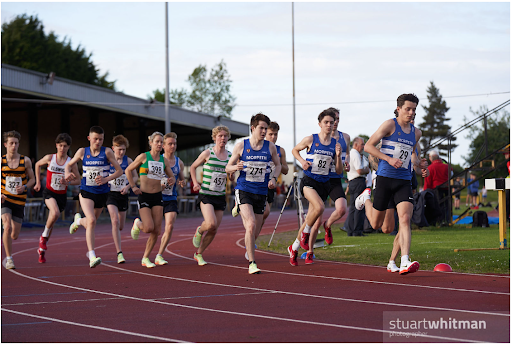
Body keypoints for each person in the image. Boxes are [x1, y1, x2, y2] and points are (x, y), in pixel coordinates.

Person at [354, 94, 428, 275]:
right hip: (385, 178)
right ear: (398, 109)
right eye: (408, 109)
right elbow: (369, 146)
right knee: (378, 225)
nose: (411, 113)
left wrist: (420, 166)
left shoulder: (416, 133)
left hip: (404, 180)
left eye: (414, 110)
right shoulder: (389, 125)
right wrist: (388, 158)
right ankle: (366, 198)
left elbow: (412, 157)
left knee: (404, 219)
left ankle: (404, 260)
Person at [226, 113, 281, 274]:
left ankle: (248, 248)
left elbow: (277, 165)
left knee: (255, 227)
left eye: (266, 128)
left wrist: (274, 178)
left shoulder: (270, 147)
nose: (264, 131)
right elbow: (227, 167)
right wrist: (236, 167)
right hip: (244, 189)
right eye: (261, 128)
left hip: (261, 191)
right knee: (250, 225)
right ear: (253, 128)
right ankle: (252, 263)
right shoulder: (241, 145)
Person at [287, 108, 343, 266]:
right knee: (319, 208)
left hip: (324, 184)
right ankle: (305, 235)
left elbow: (338, 171)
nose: (329, 125)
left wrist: (338, 157)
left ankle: (294, 247)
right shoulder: (311, 139)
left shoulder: (335, 145)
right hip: (309, 181)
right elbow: (294, 150)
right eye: (326, 122)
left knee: (309, 220)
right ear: (320, 124)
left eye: (332, 123)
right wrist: (302, 162)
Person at [65, 126, 123, 268]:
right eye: (95, 139)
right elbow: (69, 164)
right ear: (89, 138)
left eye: (101, 139)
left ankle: (78, 221)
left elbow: (120, 171)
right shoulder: (82, 151)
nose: (98, 142)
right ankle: (92, 256)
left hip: (102, 193)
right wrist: (67, 173)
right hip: (86, 191)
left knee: (91, 222)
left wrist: (106, 179)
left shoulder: (107, 152)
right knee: (91, 221)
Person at [125, 132, 175, 268]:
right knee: (148, 228)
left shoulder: (163, 161)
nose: (159, 144)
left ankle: (145, 258)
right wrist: (133, 186)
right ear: (151, 143)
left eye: (161, 142)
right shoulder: (143, 157)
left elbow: (172, 176)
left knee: (157, 231)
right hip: (144, 195)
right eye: (157, 142)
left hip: (158, 196)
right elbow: (128, 170)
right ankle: (138, 223)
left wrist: (171, 180)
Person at [33, 133, 81, 263]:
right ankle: (43, 238)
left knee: (53, 219)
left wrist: (69, 182)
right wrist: (37, 182)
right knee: (54, 213)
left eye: (65, 146)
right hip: (49, 192)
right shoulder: (50, 158)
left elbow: (79, 180)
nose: (62, 148)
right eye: (60, 145)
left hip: (61, 195)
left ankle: (41, 250)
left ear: (68, 147)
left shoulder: (70, 163)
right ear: (56, 145)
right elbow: (37, 164)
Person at [244, 121, 289, 258]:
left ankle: (252, 242)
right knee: (265, 211)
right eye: (271, 134)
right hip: (253, 184)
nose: (273, 137)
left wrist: (279, 163)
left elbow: (286, 170)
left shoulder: (279, 150)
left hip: (270, 185)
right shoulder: (258, 147)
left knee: (263, 216)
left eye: (275, 135)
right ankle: (240, 205)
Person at [190, 126, 234, 265]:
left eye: (225, 136)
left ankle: (199, 253)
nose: (223, 138)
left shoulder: (230, 156)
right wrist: (195, 182)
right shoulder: (208, 153)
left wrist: (232, 175)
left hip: (220, 195)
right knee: (210, 223)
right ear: (215, 137)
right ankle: (199, 229)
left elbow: (231, 177)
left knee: (214, 229)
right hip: (206, 194)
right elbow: (192, 167)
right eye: (220, 136)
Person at [312, 108, 350, 245]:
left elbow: (348, 154)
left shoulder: (345, 137)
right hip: (320, 179)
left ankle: (327, 225)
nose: (334, 123)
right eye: (330, 120)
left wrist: (347, 163)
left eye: (337, 119)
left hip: (335, 178)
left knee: (341, 209)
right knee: (315, 220)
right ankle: (309, 249)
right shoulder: (320, 138)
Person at [1, 130, 36, 269]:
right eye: (11, 143)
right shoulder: (1, 161)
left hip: (19, 201)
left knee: (14, 234)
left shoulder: (25, 161)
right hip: (5, 199)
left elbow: (32, 179)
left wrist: (25, 187)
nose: (13, 146)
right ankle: (9, 259)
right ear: (5, 145)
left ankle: (10, 245)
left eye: (16, 143)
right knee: (7, 226)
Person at [105, 135, 138, 264]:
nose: (121, 152)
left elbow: (135, 177)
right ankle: (119, 253)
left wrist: (128, 186)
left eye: (124, 149)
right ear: (113, 148)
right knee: (115, 220)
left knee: (121, 226)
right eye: (119, 149)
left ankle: (120, 232)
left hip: (123, 194)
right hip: (110, 194)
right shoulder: (108, 160)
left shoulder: (128, 161)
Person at [155, 132, 186, 265]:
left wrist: (182, 182)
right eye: (169, 144)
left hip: (171, 197)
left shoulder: (179, 163)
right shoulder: (157, 160)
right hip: (156, 197)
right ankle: (138, 224)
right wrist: (159, 185)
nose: (172, 146)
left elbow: (182, 179)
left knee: (170, 225)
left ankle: (159, 255)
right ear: (163, 146)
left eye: (174, 144)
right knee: (152, 228)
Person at [346, 137, 370, 236]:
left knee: (352, 207)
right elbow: (359, 171)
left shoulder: (351, 154)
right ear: (356, 145)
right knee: (359, 206)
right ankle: (357, 230)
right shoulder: (355, 154)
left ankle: (350, 230)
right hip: (358, 181)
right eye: (362, 144)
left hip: (352, 181)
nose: (363, 146)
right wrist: (367, 170)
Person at [423, 150, 450, 224]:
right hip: (447, 188)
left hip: (436, 190)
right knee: (447, 205)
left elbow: (428, 182)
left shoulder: (430, 168)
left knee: (438, 205)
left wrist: (425, 192)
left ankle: (439, 220)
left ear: (431, 158)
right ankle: (447, 220)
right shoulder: (447, 166)